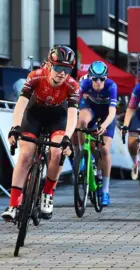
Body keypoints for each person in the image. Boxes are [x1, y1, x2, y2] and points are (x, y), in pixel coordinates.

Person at [2, 45, 80, 221]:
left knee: (57, 151)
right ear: (49, 65)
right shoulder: (36, 76)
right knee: (25, 155)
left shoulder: (72, 85)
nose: (62, 73)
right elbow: (21, 104)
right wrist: (15, 127)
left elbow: (73, 114)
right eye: (58, 67)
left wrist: (67, 138)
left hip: (57, 118)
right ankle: (14, 204)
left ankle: (47, 194)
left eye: (67, 69)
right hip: (34, 116)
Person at [76, 61, 118, 206]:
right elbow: (74, 104)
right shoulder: (84, 84)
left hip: (106, 115)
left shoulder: (112, 86)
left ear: (106, 78)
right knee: (81, 122)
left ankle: (105, 190)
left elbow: (112, 113)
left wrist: (104, 126)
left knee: (104, 149)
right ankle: (83, 155)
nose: (98, 82)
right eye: (95, 79)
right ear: (90, 77)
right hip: (91, 110)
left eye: (102, 79)